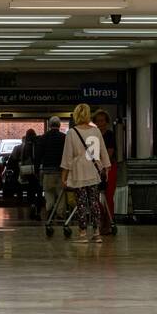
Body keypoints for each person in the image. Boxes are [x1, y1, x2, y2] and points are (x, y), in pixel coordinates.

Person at [60, 103, 111, 245]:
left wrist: (63, 176)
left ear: (76, 115)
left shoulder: (72, 133)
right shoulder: (96, 131)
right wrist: (106, 167)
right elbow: (103, 151)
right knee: (94, 202)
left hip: (79, 172)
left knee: (81, 202)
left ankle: (82, 234)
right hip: (94, 171)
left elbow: (67, 156)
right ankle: (96, 233)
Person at [92, 110, 119, 235]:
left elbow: (110, 153)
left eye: (102, 120)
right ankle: (101, 218)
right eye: (97, 121)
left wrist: (103, 167)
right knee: (94, 195)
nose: (100, 123)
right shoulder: (93, 136)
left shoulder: (109, 135)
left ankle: (109, 222)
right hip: (95, 168)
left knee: (108, 195)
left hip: (109, 167)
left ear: (107, 122)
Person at [38, 116, 67, 227]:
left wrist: (37, 169)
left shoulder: (44, 138)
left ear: (50, 125)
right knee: (61, 194)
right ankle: (60, 215)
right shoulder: (64, 137)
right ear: (59, 125)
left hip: (48, 171)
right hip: (61, 172)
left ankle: (49, 211)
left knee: (49, 193)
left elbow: (39, 155)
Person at [17, 128, 42, 218]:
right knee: (39, 190)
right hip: (38, 170)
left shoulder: (25, 145)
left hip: (28, 171)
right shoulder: (38, 143)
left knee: (30, 189)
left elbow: (22, 158)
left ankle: (31, 204)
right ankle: (38, 210)